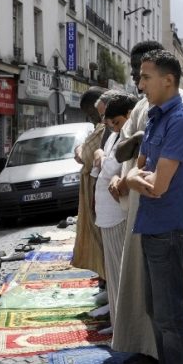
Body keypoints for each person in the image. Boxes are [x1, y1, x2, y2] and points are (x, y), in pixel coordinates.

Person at [110, 41, 183, 364]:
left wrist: (133, 178)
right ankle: (156, 356)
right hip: (146, 215)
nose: (138, 82)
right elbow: (130, 154)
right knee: (154, 303)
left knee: (172, 308)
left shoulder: (181, 112)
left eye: (144, 75)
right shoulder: (150, 110)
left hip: (168, 219)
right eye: (137, 75)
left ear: (166, 78)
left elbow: (158, 181)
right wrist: (127, 176)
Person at [95, 92, 137, 330]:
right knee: (114, 271)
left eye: (116, 122)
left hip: (118, 213)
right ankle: (119, 320)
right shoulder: (115, 136)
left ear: (128, 115)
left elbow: (114, 167)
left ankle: (124, 324)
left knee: (121, 272)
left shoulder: (129, 135)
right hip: (108, 213)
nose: (112, 127)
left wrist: (103, 160)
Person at [72, 88, 107, 279]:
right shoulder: (100, 128)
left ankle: (107, 277)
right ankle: (104, 275)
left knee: (102, 237)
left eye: (91, 112)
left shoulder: (105, 128)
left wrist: (81, 149)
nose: (91, 117)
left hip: (100, 193)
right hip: (94, 191)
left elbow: (84, 155)